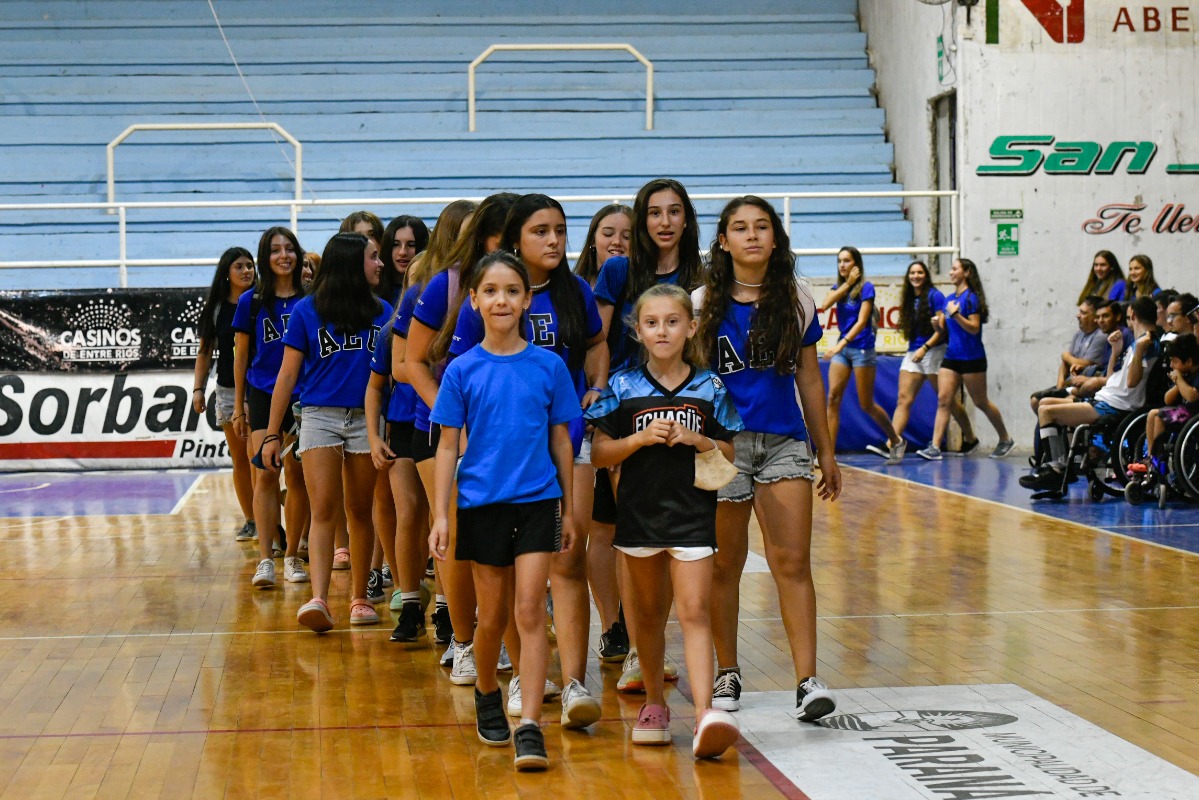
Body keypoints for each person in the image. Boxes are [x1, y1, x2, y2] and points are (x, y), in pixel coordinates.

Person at [449, 194, 607, 727]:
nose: (555, 240)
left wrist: (598, 385)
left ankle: (566, 688)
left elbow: (595, 347)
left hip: (556, 457)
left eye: (561, 230)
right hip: (492, 480)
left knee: (562, 566)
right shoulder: (475, 340)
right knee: (500, 608)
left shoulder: (575, 295)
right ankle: (510, 680)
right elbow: (458, 403)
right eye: (542, 231)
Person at [693, 196, 843, 722]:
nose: (752, 235)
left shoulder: (797, 298)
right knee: (723, 567)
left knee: (792, 564)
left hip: (783, 441)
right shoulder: (699, 302)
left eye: (761, 226)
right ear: (723, 241)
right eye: (740, 227)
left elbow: (808, 376)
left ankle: (807, 680)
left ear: (775, 239)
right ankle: (727, 672)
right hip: (722, 446)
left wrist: (825, 450)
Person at [428, 251, 579, 772]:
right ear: (474, 300)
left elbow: (562, 440)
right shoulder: (462, 370)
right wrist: (442, 515)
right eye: (490, 290)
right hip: (480, 505)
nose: (501, 299)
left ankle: (531, 724)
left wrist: (570, 505)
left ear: (527, 300)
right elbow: (448, 446)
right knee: (490, 618)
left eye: (512, 290)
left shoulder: (549, 366)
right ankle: (488, 690)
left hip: (538, 503)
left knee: (531, 611)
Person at [588, 283, 743, 758]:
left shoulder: (710, 387)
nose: (662, 330)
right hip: (638, 518)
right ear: (637, 330)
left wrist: (699, 442)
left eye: (673, 322)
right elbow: (597, 454)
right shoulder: (621, 386)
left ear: (691, 327)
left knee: (694, 610)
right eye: (652, 323)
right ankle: (655, 703)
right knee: (650, 615)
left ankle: (703, 715)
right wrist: (637, 441)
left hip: (693, 515)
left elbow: (730, 453)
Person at [593, 178, 703, 690]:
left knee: (685, 542)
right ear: (643, 222)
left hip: (690, 416)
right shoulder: (618, 270)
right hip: (632, 414)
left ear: (686, 219)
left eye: (673, 212)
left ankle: (689, 652)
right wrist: (600, 391)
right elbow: (599, 340)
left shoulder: (705, 275)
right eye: (654, 213)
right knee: (632, 538)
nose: (664, 221)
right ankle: (639, 650)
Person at [408, 193, 518, 681]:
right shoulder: (447, 284)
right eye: (509, 232)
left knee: (511, 541)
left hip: (519, 434)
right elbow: (412, 361)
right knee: (455, 533)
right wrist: (455, 418)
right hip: (457, 433)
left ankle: (506, 637)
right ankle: (464, 639)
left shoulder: (539, 286)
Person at [261, 232, 393, 630]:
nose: (381, 263)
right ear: (353, 263)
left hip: (366, 420)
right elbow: (286, 375)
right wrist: (271, 433)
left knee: (359, 510)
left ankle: (359, 599)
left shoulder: (384, 311)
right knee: (324, 510)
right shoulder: (306, 311)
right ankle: (318, 599)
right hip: (318, 416)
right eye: (373, 257)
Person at [383, 200, 476, 642]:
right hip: (426, 418)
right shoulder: (430, 285)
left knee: (464, 527)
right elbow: (402, 365)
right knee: (428, 519)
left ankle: (450, 614)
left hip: (477, 422)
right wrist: (447, 405)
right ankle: (423, 608)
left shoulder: (493, 284)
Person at [232, 226, 310, 587]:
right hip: (262, 393)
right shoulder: (251, 301)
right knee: (265, 473)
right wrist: (239, 406)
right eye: (276, 250)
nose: (284, 255)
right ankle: (266, 558)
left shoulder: (312, 298)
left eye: (289, 249)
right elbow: (242, 355)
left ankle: (293, 554)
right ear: (265, 257)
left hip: (304, 394)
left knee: (297, 477)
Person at [573, 203, 634, 663]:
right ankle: (612, 624)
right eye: (608, 232)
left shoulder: (636, 282)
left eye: (627, 235)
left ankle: (634, 624)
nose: (617, 241)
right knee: (599, 528)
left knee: (630, 524)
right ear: (592, 237)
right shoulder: (571, 288)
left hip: (636, 412)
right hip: (591, 412)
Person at [1020, 296, 1162, 490]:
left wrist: (1137, 352)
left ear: (1133, 315)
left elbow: (1132, 382)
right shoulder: (1136, 343)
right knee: (1044, 403)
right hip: (1107, 397)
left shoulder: (1146, 344)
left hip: (1115, 405)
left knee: (1047, 411)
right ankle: (1058, 466)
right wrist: (1115, 350)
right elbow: (1114, 378)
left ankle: (1056, 469)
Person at [366, 216, 430, 607]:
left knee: (437, 514)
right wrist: (374, 436)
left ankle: (437, 598)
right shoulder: (391, 330)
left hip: (441, 427)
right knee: (406, 509)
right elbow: (376, 387)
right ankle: (406, 591)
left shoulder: (451, 324)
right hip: (402, 426)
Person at [871, 260, 977, 457]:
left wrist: (926, 347)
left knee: (948, 401)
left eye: (920, 273)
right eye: (912, 273)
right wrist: (916, 348)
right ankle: (892, 443)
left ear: (926, 275)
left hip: (934, 351)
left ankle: (970, 438)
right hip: (914, 352)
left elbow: (942, 328)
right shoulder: (910, 298)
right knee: (903, 399)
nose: (916, 276)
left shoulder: (935, 296)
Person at [916, 258, 1015, 460]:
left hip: (972, 358)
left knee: (980, 402)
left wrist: (957, 315)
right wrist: (936, 324)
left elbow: (974, 328)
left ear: (967, 272)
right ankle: (934, 447)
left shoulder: (971, 299)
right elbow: (943, 330)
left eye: (955, 269)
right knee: (944, 399)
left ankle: (1005, 438)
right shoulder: (949, 298)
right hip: (952, 356)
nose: (951, 272)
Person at [192, 246, 257, 542]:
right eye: (239, 266)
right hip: (229, 391)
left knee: (263, 457)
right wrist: (198, 389)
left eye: (249, 265)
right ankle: (252, 519)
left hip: (262, 389)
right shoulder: (217, 309)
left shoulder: (260, 301)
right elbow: (205, 352)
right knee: (241, 459)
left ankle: (276, 520)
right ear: (226, 273)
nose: (246, 270)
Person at [819, 246, 904, 462]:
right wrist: (846, 284)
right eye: (839, 261)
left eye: (847, 261)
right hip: (843, 350)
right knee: (832, 398)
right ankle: (828, 455)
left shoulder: (866, 288)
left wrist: (841, 343)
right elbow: (826, 304)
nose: (842, 265)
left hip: (862, 349)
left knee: (866, 404)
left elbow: (862, 321)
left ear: (856, 264)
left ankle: (895, 439)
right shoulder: (839, 287)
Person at [1028, 296, 1107, 412]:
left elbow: (1085, 363)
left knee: (1053, 405)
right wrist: (1059, 386)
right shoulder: (1079, 334)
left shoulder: (1100, 336)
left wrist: (1065, 355)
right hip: (1068, 384)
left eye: (1083, 313)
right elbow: (1065, 364)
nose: (1078, 315)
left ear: (1095, 318)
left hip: (1083, 388)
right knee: (1035, 400)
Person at [1138, 332, 1199, 474]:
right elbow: (1167, 399)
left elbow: (1192, 396)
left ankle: (1159, 460)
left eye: (1174, 361)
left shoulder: (1196, 376)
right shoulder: (1183, 375)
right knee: (1153, 414)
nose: (1171, 365)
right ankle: (1151, 456)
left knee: (1160, 416)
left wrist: (1179, 380)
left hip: (1194, 414)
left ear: (1188, 362)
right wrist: (1178, 383)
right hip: (1185, 412)